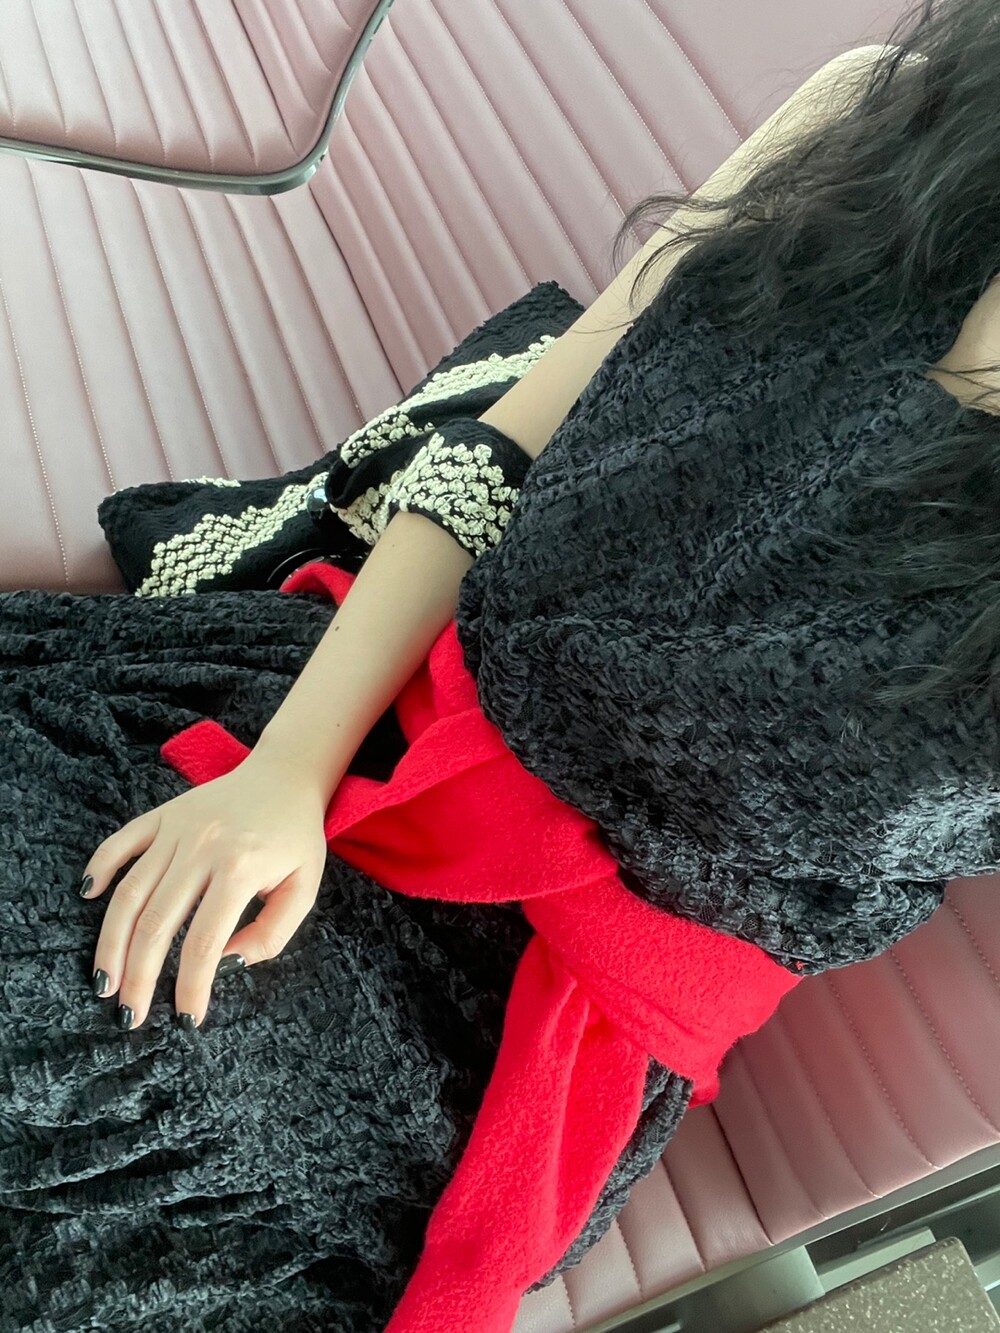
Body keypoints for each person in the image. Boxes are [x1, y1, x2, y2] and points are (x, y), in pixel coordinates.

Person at [4, 1, 1000, 1328]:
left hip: (514, 1004)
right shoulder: (880, 117)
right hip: (355, 715)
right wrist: (286, 771)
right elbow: (499, 452)